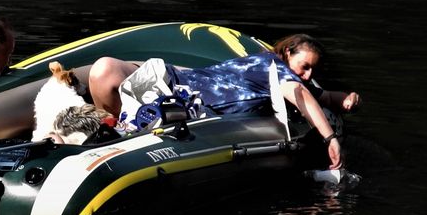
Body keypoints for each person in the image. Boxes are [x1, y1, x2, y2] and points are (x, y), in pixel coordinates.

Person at [88, 34, 360, 170]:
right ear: (288, 53)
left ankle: (110, 129)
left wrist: (346, 98)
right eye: (305, 66)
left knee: (104, 68)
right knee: (105, 71)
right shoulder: (277, 69)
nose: (308, 74)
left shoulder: (273, 68)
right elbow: (301, 97)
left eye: (313, 70)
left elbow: (317, 96)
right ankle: (111, 129)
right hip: (180, 92)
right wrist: (330, 139)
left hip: (175, 88)